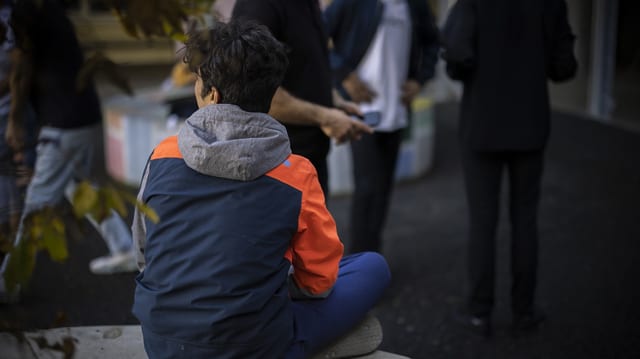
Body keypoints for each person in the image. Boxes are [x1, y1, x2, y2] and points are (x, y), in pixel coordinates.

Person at [131, 19, 390, 359]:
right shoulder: (296, 174)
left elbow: (143, 256)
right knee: (372, 267)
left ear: (212, 94)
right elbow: (318, 283)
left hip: (162, 341)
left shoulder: (162, 155)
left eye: (197, 79)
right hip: (256, 347)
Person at [440, 0, 578, 336]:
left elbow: (456, 54)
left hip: (482, 125)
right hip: (530, 124)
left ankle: (479, 311)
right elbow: (564, 68)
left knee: (483, 222)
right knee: (525, 220)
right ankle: (524, 310)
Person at [1, 0, 137, 293]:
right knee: (82, 186)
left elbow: (21, 70)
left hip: (63, 122)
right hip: (82, 114)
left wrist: (14, 120)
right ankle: (124, 247)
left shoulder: (26, 12)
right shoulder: (47, 10)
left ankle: (7, 285)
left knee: (37, 204)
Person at [324, 0, 439, 254]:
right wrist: (343, 74)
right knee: (366, 190)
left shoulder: (412, 5)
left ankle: (372, 257)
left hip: (396, 111)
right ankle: (359, 262)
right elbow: (318, 35)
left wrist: (419, 80)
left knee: (382, 191)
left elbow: (432, 42)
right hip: (362, 112)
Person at [232, 0, 373, 195]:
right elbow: (254, 93)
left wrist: (333, 100)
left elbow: (307, 64)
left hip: (311, 159)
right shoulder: (259, 7)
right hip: (280, 167)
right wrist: (324, 116)